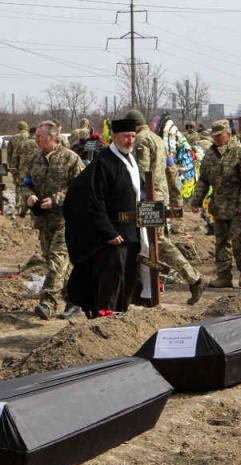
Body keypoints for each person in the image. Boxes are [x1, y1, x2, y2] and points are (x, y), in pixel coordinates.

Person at [62, 117, 142, 317]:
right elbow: (93, 201)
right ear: (114, 137)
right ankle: (103, 322)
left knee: (126, 281)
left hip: (131, 233)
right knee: (110, 283)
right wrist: (109, 232)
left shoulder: (131, 160)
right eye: (125, 136)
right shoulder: (104, 163)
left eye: (133, 136)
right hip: (112, 237)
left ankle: (119, 321)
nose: (130, 141)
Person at [127, 109, 205, 302]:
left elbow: (143, 173)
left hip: (149, 197)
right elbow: (171, 170)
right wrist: (176, 198)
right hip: (161, 196)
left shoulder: (141, 141)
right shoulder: (158, 139)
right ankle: (142, 290)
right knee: (149, 242)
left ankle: (193, 278)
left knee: (157, 241)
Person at [20, 121, 83, 320]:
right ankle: (74, 300)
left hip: (65, 220)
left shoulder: (70, 159)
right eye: (35, 136)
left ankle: (47, 303)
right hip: (42, 221)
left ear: (52, 137)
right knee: (54, 263)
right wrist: (28, 197)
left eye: (40, 136)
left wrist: (57, 199)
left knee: (57, 260)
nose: (36, 140)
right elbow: (25, 184)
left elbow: (79, 188)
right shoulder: (33, 160)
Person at [190, 119, 241, 288]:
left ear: (228, 134)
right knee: (221, 243)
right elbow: (204, 180)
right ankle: (224, 276)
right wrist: (196, 200)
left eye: (219, 135)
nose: (216, 139)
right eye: (214, 136)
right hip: (219, 207)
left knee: (239, 241)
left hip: (237, 207)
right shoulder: (211, 154)